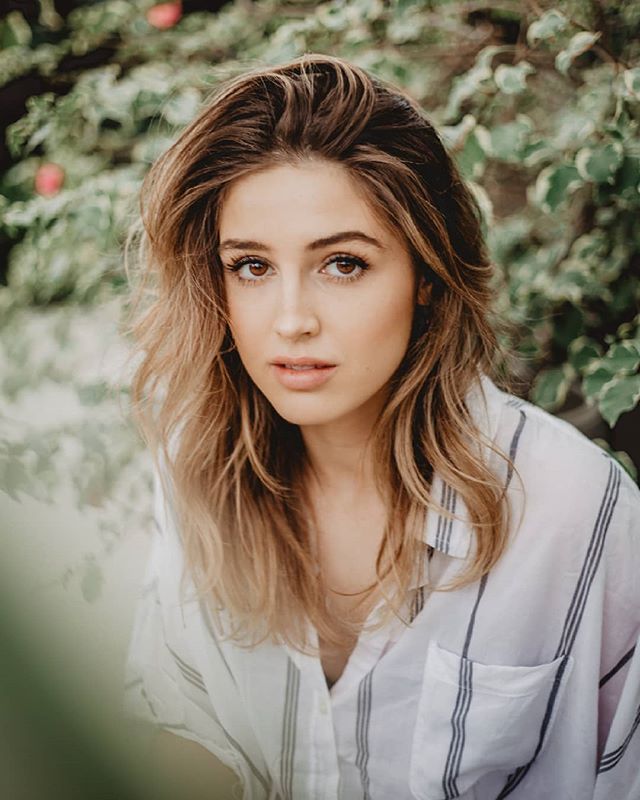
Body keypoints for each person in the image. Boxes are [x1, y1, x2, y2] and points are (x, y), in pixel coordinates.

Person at [122, 53, 640, 800]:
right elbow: (175, 717)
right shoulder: (194, 469)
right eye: (253, 267)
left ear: (426, 274)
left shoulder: (576, 512)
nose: (292, 322)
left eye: (343, 264)